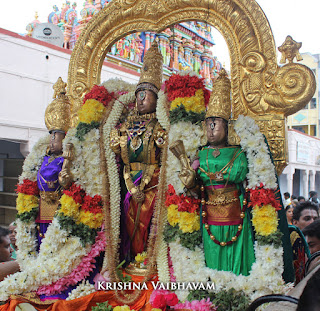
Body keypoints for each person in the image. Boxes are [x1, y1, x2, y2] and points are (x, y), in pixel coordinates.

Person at [175, 69, 255, 276]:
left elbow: (239, 173)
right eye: (208, 125)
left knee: (235, 253)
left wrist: (215, 175)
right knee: (211, 253)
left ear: (228, 128)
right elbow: (195, 186)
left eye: (215, 125)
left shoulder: (237, 152)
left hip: (234, 209)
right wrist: (190, 181)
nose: (211, 130)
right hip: (208, 211)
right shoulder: (199, 154)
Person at [110, 40, 166, 264]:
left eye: (146, 94)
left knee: (148, 223)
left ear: (156, 99)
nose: (141, 99)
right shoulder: (123, 127)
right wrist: (133, 188)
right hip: (129, 184)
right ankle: (131, 260)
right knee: (128, 223)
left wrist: (143, 187)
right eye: (139, 94)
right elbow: (123, 161)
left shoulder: (161, 126)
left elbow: (160, 160)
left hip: (153, 185)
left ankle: (148, 262)